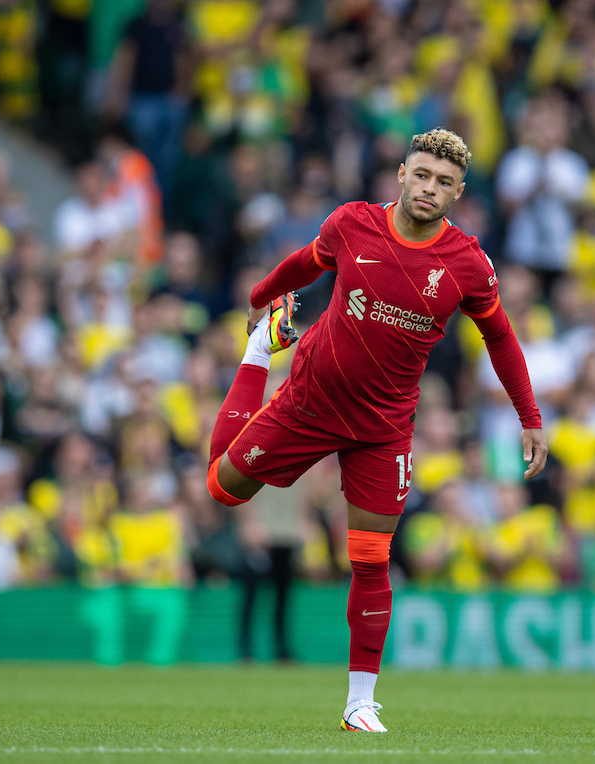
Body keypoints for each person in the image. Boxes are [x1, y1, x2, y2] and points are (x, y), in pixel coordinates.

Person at [202, 129, 547, 732]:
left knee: (370, 559)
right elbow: (304, 263)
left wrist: (530, 417)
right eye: (421, 175)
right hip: (308, 402)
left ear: (458, 192)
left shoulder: (468, 264)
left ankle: (360, 702)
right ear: (401, 176)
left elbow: (501, 339)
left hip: (384, 428)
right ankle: (260, 354)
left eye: (444, 182)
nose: (429, 189)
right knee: (222, 489)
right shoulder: (352, 224)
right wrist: (261, 298)